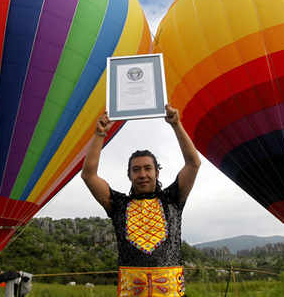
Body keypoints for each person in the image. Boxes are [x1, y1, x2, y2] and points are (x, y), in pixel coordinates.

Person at [82, 105, 201, 296]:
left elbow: (193, 163)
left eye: (148, 168)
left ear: (157, 172)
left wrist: (176, 124)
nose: (142, 174)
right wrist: (99, 134)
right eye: (136, 170)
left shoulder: (172, 199)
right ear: (129, 175)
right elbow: (88, 175)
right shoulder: (118, 204)